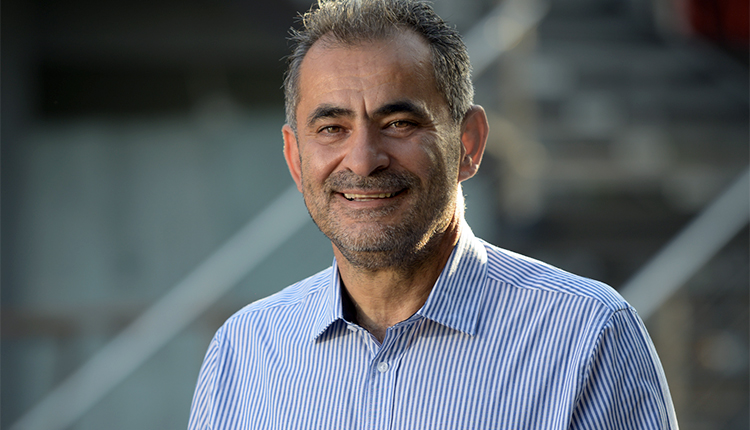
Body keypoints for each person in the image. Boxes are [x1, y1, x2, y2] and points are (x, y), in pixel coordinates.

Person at [188, 0, 679, 428]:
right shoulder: (244, 351)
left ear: (469, 144)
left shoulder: (587, 335)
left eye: (399, 123)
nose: (363, 160)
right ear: (296, 159)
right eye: (332, 128)